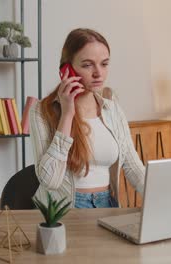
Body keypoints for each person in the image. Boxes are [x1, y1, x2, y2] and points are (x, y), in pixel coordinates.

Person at [29, 28, 145, 208]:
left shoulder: (112, 109)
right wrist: (67, 113)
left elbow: (133, 168)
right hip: (64, 209)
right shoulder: (41, 111)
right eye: (88, 65)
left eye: (104, 64)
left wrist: (167, 197)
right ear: (66, 69)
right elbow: (49, 180)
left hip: (107, 204)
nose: (98, 73)